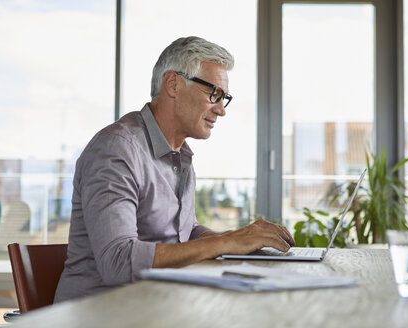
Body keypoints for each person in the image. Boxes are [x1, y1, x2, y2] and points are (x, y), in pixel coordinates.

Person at [54, 36, 294, 302]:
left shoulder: (180, 157)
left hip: (157, 303)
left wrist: (237, 238)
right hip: (100, 312)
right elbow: (118, 262)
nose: (221, 110)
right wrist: (227, 243)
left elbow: (183, 232)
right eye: (213, 93)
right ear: (173, 84)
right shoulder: (116, 150)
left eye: (224, 98)